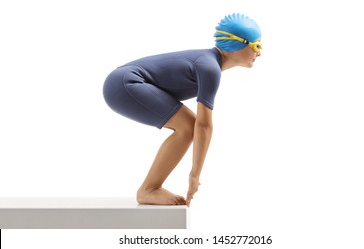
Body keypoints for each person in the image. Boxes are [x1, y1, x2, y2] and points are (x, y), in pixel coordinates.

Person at [103, 13, 262, 206]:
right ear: (238, 44)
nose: (259, 52)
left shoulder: (209, 63)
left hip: (122, 81)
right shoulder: (210, 68)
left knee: (188, 126)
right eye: (256, 45)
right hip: (124, 84)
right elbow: (204, 126)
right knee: (188, 126)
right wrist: (195, 175)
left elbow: (202, 126)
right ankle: (149, 189)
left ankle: (150, 188)